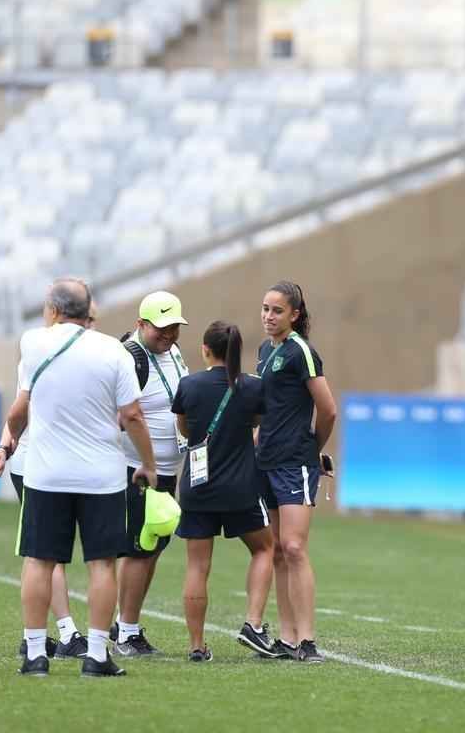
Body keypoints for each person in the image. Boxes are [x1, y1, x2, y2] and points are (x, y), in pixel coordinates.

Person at [0, 278, 158, 678]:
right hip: (102, 475)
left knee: (40, 560)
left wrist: (8, 444)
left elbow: (19, 410)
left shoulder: (33, 342)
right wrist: (148, 463)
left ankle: (35, 654)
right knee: (102, 564)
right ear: (89, 312)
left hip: (46, 473)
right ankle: (96, 655)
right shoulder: (114, 350)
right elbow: (132, 415)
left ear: (52, 310)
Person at [0, 301, 100, 660]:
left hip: (56, 464)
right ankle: (65, 633)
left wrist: (4, 445)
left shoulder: (74, 353)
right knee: (45, 554)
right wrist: (5, 446)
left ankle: (35, 636)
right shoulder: (42, 351)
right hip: (38, 464)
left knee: (44, 553)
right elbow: (20, 409)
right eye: (88, 318)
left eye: (93, 319)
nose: (91, 324)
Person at [171, 321, 275, 663]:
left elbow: (185, 428)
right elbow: (257, 422)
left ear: (205, 349)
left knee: (197, 566)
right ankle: (253, 624)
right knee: (264, 549)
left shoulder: (188, 385)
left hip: (198, 488)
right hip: (241, 488)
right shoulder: (252, 387)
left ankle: (196, 646)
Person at [256, 281, 337, 664]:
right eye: (265, 309)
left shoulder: (300, 351)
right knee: (275, 550)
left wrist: (313, 450)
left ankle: (307, 640)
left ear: (295, 314)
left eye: (277, 310)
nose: (269, 316)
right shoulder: (263, 351)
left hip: (294, 464)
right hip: (265, 462)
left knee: (293, 547)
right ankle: (287, 639)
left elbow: (328, 409)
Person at [112, 291, 190, 657]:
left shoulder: (173, 352)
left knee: (155, 544)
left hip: (166, 470)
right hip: (138, 470)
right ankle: (126, 633)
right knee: (139, 547)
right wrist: (147, 462)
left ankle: (124, 623)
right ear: (141, 324)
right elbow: (117, 414)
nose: (169, 335)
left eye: (174, 327)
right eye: (161, 328)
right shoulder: (129, 356)